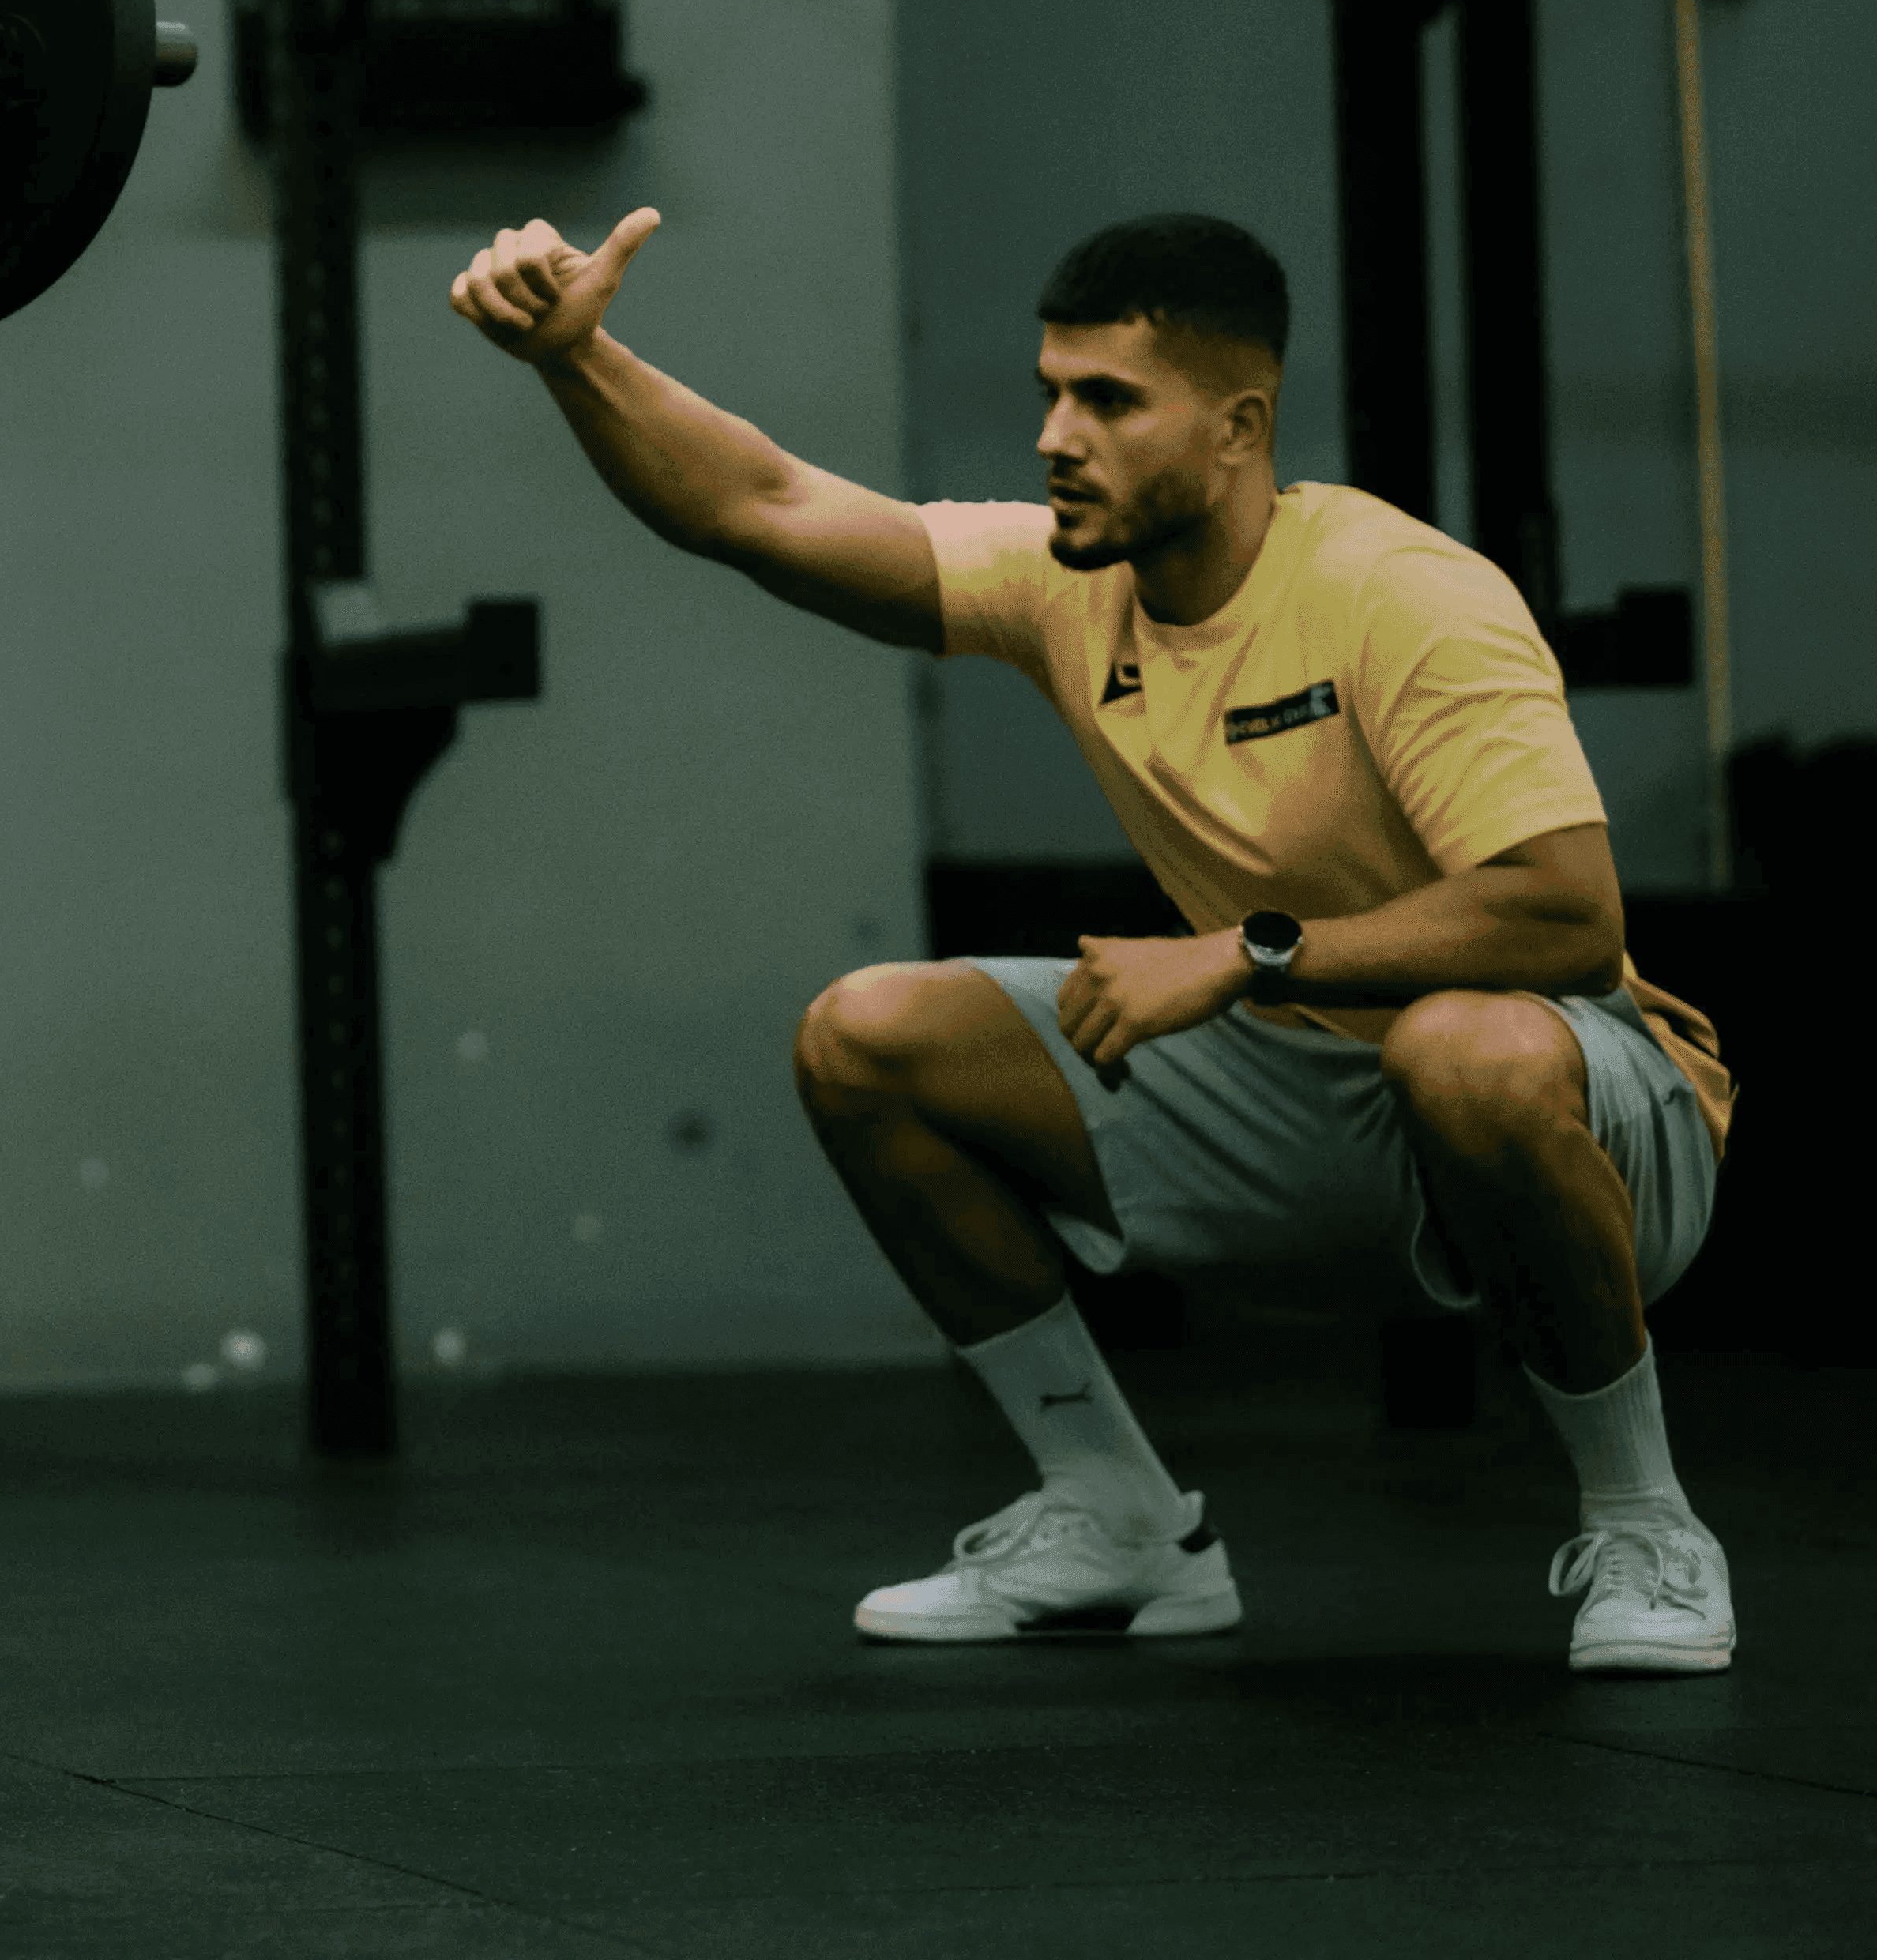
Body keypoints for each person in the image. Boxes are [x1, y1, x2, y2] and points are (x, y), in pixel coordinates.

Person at [448, 206, 1737, 1676]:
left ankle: (1648, 1523)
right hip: (1302, 1106)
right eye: (1051, 393)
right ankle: (1113, 1513)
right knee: (867, 1034)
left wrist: (1245, 954)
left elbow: (1567, 918)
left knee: (1464, 1044)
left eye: (1110, 401)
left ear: (1239, 423)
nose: (1059, 435)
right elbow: (760, 506)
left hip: (1594, 1117)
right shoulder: (1070, 578)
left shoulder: (1404, 594)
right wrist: (577, 359)